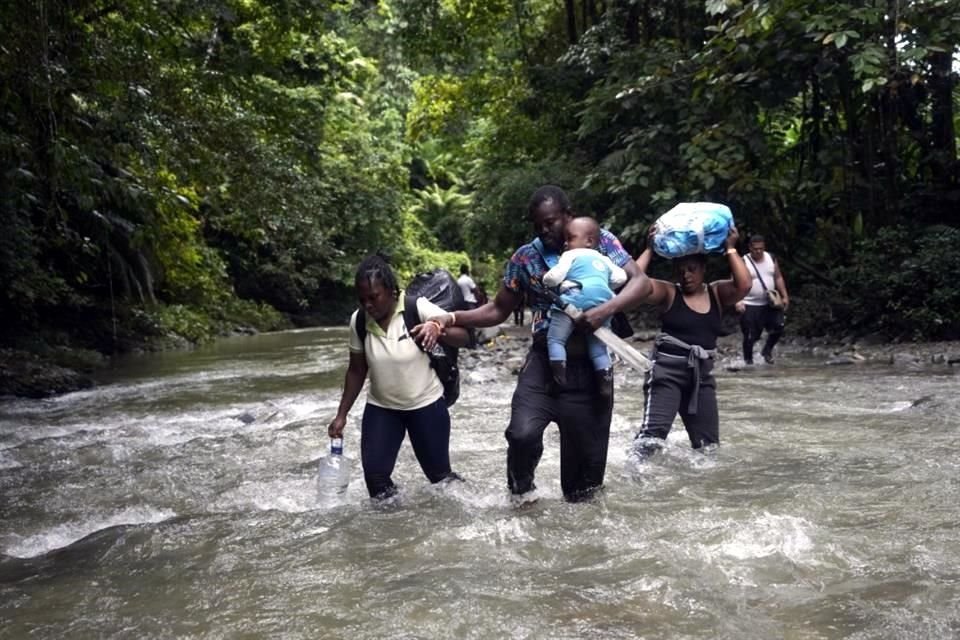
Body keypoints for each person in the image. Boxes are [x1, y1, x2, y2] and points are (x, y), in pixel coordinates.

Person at [421, 185, 651, 503]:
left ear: (568, 215)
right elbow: (498, 309)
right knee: (521, 434)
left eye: (551, 222)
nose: (544, 230)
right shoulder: (526, 257)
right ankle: (523, 495)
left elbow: (641, 283)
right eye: (538, 225)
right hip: (545, 362)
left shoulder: (598, 239)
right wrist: (450, 317)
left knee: (582, 491)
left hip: (590, 369)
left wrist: (604, 311)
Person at [327, 254, 470, 500]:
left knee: (439, 477)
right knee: (376, 479)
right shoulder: (359, 321)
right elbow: (357, 370)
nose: (368, 305)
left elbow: (465, 336)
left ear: (392, 292)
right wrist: (341, 415)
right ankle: (396, 521)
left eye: (374, 297)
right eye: (362, 299)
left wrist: (437, 329)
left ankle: (469, 503)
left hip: (426, 405)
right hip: (382, 408)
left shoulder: (416, 307)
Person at [631, 225, 751, 457]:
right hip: (666, 373)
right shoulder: (669, 293)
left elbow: (744, 285)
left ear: (703, 269)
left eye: (692, 269)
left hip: (701, 377)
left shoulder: (717, 293)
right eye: (681, 270)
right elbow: (635, 284)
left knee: (708, 447)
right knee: (652, 438)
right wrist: (649, 249)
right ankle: (634, 472)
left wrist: (730, 249)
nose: (686, 275)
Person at [543, 216, 627, 398]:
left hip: (575, 297)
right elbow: (621, 277)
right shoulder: (603, 258)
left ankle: (559, 378)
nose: (566, 243)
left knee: (556, 340)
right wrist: (603, 285)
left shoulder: (570, 255)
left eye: (570, 238)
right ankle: (605, 384)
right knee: (598, 348)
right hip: (603, 302)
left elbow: (554, 277)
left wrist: (546, 280)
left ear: (589, 241)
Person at [735, 234, 790, 365]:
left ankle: (767, 351)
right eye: (755, 249)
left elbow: (778, 277)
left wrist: (785, 296)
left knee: (779, 326)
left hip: (769, 303)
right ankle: (748, 362)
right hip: (749, 304)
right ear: (750, 248)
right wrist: (738, 300)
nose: (758, 251)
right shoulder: (743, 261)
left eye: (761, 248)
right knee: (750, 336)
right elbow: (734, 282)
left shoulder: (771, 258)